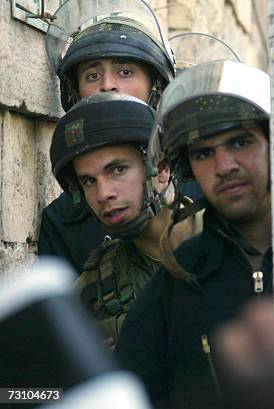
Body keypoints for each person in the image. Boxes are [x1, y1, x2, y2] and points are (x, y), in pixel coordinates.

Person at [115, 60, 273, 409]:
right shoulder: (178, 278)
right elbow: (126, 392)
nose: (224, 166)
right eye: (204, 153)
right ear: (189, 168)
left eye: (240, 141)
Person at [49, 92, 201, 347]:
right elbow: (25, 386)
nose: (103, 194)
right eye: (89, 181)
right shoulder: (93, 286)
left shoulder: (233, 243)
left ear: (162, 171)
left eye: (117, 170)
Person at [38, 0, 176, 274]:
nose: (108, 85)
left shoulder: (201, 185)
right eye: (92, 75)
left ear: (157, 89)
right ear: (75, 94)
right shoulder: (63, 220)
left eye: (125, 72)